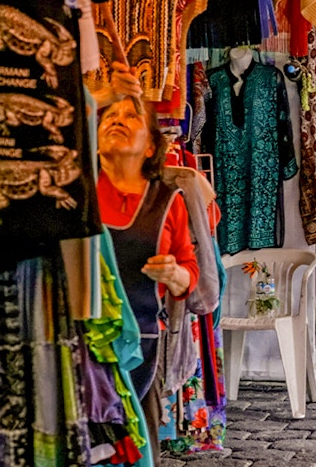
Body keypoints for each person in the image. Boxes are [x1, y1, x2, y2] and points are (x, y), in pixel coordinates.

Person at [97, 97, 199, 466]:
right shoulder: (77, 196)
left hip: (143, 346)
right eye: (109, 116)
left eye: (130, 116)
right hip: (83, 348)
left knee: (139, 448)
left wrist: (174, 274)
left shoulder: (167, 201)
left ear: (152, 145)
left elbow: (190, 272)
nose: (117, 121)